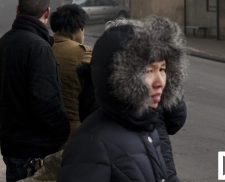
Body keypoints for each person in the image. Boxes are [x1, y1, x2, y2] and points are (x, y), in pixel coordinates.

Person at [58, 15, 188, 182]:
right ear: (120, 77)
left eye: (162, 69)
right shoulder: (90, 145)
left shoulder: (146, 127)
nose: (160, 82)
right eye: (148, 71)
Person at [0, 0, 69, 182]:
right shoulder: (39, 48)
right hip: (36, 149)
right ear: (47, 12)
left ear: (18, 10)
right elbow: (45, 102)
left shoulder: (2, 43)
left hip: (11, 145)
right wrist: (62, 131)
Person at [50, 4, 93, 136]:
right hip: (73, 128)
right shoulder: (82, 53)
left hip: (44, 128)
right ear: (80, 29)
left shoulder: (42, 48)